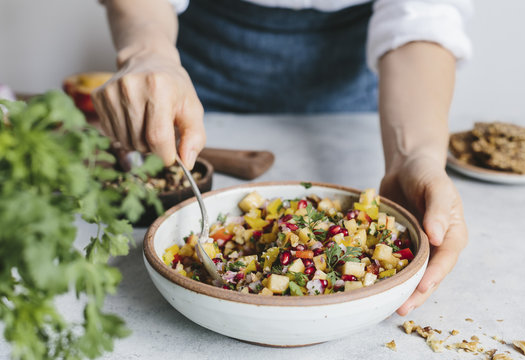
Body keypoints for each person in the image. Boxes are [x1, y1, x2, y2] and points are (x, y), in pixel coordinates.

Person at [93, 0, 470, 315]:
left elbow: (425, 14)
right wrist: (148, 54)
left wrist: (414, 155)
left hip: (364, 78)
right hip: (202, 67)